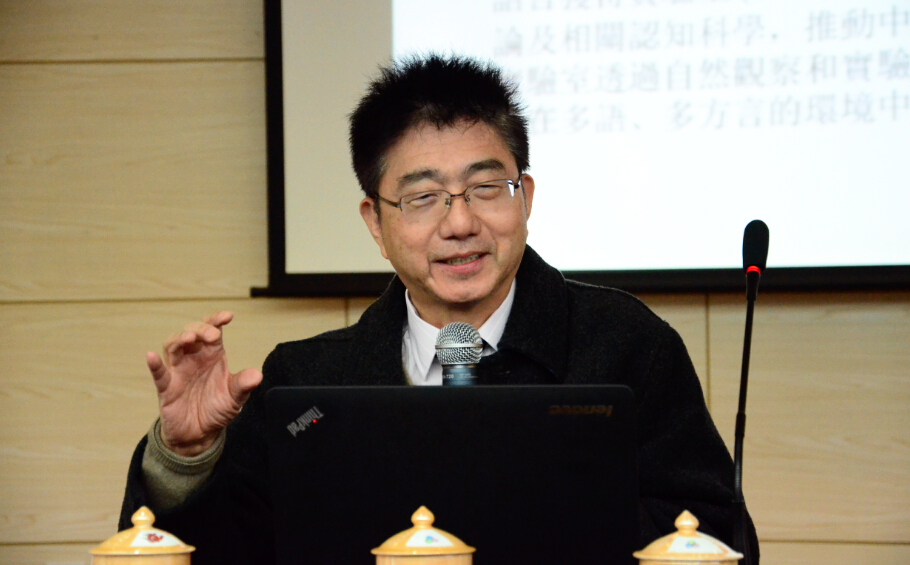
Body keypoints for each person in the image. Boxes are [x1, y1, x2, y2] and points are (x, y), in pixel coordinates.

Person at [119, 55, 759, 564]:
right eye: (423, 197)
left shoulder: (626, 346)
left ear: (525, 197)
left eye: (486, 187)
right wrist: (186, 457)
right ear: (375, 221)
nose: (460, 223)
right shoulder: (304, 383)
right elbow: (227, 554)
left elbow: (715, 539)